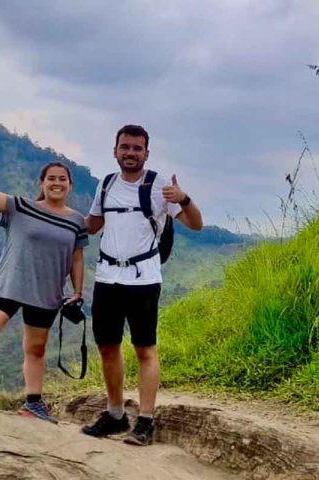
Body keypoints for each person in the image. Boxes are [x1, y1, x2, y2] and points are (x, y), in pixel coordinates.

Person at [0, 137, 88, 423]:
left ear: (70, 185)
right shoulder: (20, 207)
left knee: (34, 349)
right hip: (9, 283)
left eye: (62, 179)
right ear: (41, 183)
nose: (56, 183)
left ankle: (33, 402)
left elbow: (76, 257)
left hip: (46, 291)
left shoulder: (77, 221)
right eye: (51, 178)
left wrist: (78, 291)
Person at [81, 125, 203, 445]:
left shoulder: (159, 186)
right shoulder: (106, 185)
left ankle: (146, 420)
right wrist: (50, 215)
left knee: (144, 349)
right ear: (115, 151)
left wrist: (184, 199)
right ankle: (115, 414)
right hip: (107, 278)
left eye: (137, 148)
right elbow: (91, 226)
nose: (131, 153)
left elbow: (196, 224)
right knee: (108, 346)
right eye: (125, 147)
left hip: (144, 280)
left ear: (146, 153)